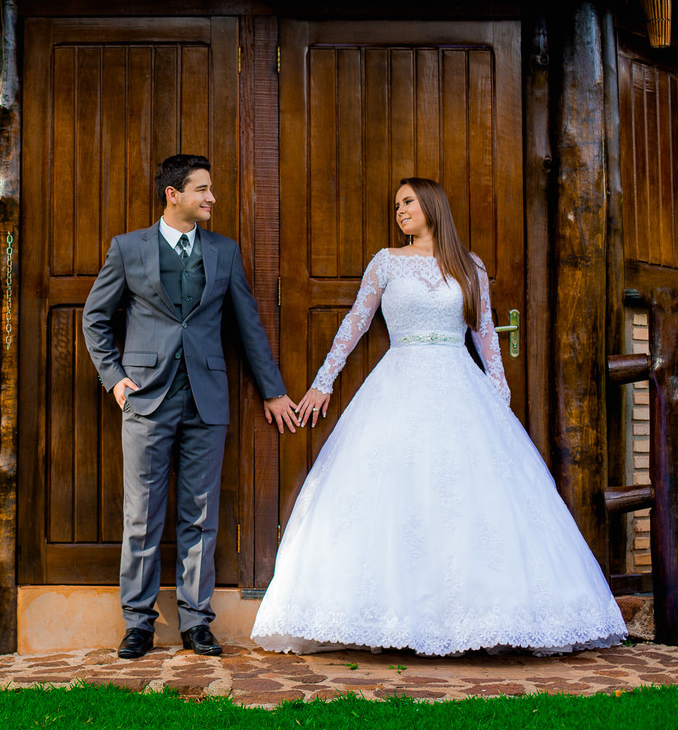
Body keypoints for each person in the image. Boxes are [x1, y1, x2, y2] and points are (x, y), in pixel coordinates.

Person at [250, 177, 627, 656]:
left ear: (431, 204)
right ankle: (392, 619)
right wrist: (323, 382)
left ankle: (481, 619)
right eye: (396, 205)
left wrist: (499, 392)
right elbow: (354, 324)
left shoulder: (470, 266)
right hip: (398, 381)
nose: (400, 211)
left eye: (407, 202)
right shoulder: (386, 262)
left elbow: (485, 333)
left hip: (459, 384)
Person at [83, 154, 299, 659]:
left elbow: (247, 325)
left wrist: (272, 389)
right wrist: (114, 379)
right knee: (142, 515)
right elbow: (96, 317)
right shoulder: (128, 248)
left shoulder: (224, 251)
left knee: (200, 516)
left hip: (207, 398)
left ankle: (196, 622)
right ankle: (138, 623)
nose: (211, 198)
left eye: (210, 188)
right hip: (145, 398)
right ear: (173, 194)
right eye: (202, 189)